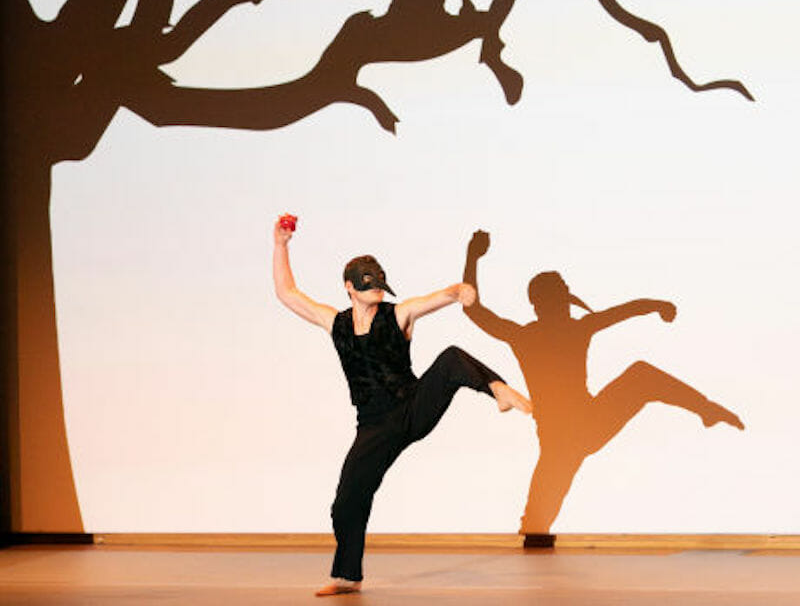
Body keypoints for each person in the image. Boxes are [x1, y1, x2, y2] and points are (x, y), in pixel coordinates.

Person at [272, 218, 532, 595]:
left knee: (450, 358)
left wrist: (458, 289)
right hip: (374, 427)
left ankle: (497, 390)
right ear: (350, 287)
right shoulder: (336, 324)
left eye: (380, 285)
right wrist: (280, 244)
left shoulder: (398, 314)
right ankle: (347, 575)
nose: (377, 290)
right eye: (369, 285)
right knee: (347, 502)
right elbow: (287, 293)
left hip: (411, 409)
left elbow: (435, 298)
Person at [463, 230, 744, 536]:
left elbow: (623, 311)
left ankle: (705, 409)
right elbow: (473, 309)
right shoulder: (562, 331)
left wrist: (473, 256)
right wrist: (657, 305)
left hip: (575, 429)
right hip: (575, 432)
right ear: (546, 303)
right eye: (561, 298)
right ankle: (705, 409)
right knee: (534, 524)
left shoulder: (531, 335)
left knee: (641, 375)